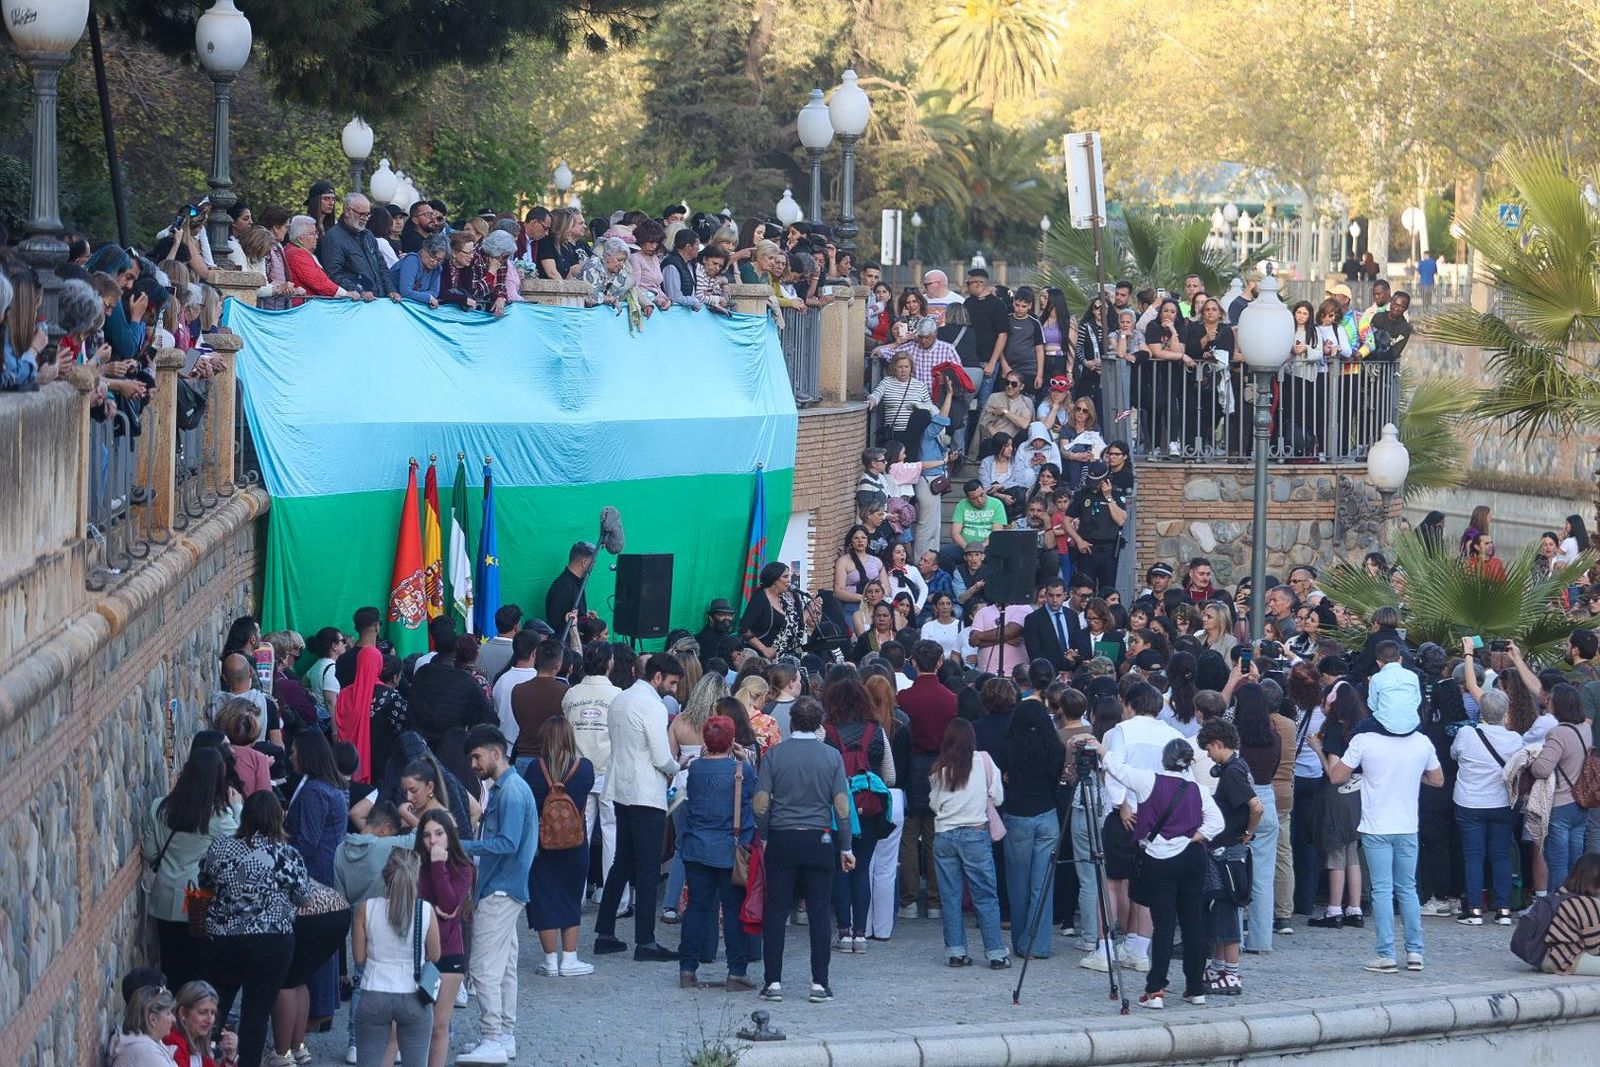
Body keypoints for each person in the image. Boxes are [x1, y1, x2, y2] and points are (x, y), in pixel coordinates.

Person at [1321, 663, 1445, 974]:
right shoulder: (1421, 742)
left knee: (1382, 890)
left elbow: (1337, 776)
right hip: (1408, 826)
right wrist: (1411, 776)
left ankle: (1386, 953)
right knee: (1408, 889)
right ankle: (1415, 952)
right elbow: (1438, 779)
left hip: (1376, 826)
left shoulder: (1366, 740)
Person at [1094, 735, 1222, 1009]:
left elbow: (1117, 769)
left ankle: (1156, 990)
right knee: (1193, 923)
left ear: (1164, 759)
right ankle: (1195, 988)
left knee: (1163, 924)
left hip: (1158, 858)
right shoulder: (1197, 789)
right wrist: (1194, 836)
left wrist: (1099, 747)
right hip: (1191, 857)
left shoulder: (1148, 780)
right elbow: (1217, 822)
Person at [753, 696, 854, 1003]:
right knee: (820, 912)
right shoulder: (831, 757)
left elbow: (760, 803)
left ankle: (773, 982)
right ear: (819, 723)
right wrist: (846, 846)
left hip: (782, 838)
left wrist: (765, 835)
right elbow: (841, 806)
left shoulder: (774, 755)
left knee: (776, 909)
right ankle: (819, 983)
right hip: (819, 839)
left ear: (792, 722)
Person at [199, 792, 311, 1067]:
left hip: (224, 940)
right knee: (257, 1014)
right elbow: (303, 896)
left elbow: (204, 883)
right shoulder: (287, 854)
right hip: (271, 942)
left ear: (245, 816)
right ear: (277, 819)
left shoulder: (220, 848)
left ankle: (200, 1059)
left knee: (216, 1006)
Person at [593, 654, 684, 961]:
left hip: (620, 787)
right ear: (657, 677)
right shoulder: (653, 706)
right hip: (646, 793)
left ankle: (605, 932)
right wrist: (679, 765)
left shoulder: (621, 698)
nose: (672, 689)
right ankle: (645, 941)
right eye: (671, 683)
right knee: (646, 869)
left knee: (622, 862)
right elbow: (661, 757)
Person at [457, 726, 538, 1066]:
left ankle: (493, 1036)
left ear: (495, 753)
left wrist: (461, 846)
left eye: (477, 757)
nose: (474, 764)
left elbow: (507, 843)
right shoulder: (511, 788)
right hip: (506, 886)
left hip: (501, 887)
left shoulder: (511, 792)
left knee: (483, 966)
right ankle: (503, 1035)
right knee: (503, 967)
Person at [144, 746, 242, 992]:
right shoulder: (218, 817)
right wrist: (238, 808)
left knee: (170, 964)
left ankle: (172, 1019)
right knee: (196, 968)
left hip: (164, 895)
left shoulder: (159, 807)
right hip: (197, 900)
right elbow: (239, 849)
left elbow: (149, 852)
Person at [677, 714, 758, 989]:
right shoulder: (741, 770)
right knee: (734, 910)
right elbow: (755, 796)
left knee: (697, 908)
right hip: (731, 849)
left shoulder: (696, 768)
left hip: (697, 846)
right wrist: (745, 759)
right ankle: (736, 970)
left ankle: (687, 968)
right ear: (732, 739)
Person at [926, 717, 1009, 968]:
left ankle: (956, 951)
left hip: (945, 835)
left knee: (950, 895)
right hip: (975, 833)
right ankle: (995, 952)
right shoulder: (984, 761)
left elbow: (934, 804)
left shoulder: (939, 769)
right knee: (985, 895)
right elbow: (998, 796)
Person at [821, 679, 896, 950]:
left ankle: (843, 931)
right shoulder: (876, 731)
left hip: (838, 809)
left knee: (840, 869)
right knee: (861, 868)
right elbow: (890, 776)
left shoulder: (825, 732)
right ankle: (861, 933)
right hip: (870, 809)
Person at [350, 851, 440, 1067]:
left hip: (374, 992)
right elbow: (435, 955)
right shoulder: (425, 910)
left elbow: (359, 958)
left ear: (385, 876)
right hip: (413, 995)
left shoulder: (366, 908)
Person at [524, 716, 597, 978]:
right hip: (575, 844)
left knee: (544, 897)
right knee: (570, 898)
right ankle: (570, 958)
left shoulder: (534, 769)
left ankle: (549, 960)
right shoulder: (584, 768)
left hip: (543, 844)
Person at [1449, 688, 1524, 925]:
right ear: (1505, 712)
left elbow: (1454, 755)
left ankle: (1475, 910)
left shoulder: (1467, 734)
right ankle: (1503, 909)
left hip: (1470, 802)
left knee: (1473, 856)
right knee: (1501, 855)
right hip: (1502, 803)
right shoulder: (1515, 739)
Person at [999, 700, 1065, 959]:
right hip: (1047, 814)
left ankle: (1022, 942)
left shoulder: (1009, 746)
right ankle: (1039, 943)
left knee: (1018, 883)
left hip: (1017, 815)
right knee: (1043, 884)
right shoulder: (1055, 748)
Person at [414, 810, 475, 1066]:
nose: (433, 841)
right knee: (415, 1023)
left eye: (439, 833)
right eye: (427, 835)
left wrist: (439, 865)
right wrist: (429, 905)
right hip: (417, 952)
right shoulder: (415, 864)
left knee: (439, 1024)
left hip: (449, 952)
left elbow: (450, 905)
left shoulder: (463, 867)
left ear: (449, 835)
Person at [563, 642, 623, 904]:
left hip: (578, 771)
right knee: (612, 834)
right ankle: (616, 899)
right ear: (609, 663)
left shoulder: (571, 695)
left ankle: (574, 896)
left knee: (579, 835)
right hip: (609, 771)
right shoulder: (619, 695)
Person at [1529, 682, 1593, 893]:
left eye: (1550, 701)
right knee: (1575, 862)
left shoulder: (1558, 733)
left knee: (1557, 861)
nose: (1547, 704)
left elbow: (1541, 769)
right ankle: (1576, 901)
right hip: (1581, 803)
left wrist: (1530, 758)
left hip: (1560, 805)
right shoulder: (1585, 729)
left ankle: (1558, 907)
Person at [742, 561, 821, 660]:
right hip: (765, 659)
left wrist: (810, 608)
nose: (789, 580)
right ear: (774, 579)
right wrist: (764, 649)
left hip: (790, 656)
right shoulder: (760, 600)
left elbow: (796, 625)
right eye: (785, 577)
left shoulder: (789, 598)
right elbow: (744, 630)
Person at [1541, 855, 1600, 974]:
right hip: (1561, 960)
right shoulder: (1588, 904)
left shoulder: (1562, 893)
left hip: (1545, 956)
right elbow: (1595, 948)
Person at [163, 980, 239, 1067]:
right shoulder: (172, 1044)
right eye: (203, 1012)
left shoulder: (198, 1046)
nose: (210, 1019)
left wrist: (230, 1055)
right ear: (183, 1012)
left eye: (213, 1012)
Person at [110, 985, 180, 1067]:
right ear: (153, 1019)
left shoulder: (148, 1044)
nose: (173, 1019)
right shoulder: (146, 1051)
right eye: (168, 1013)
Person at [545, 541, 595, 628]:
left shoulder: (577, 583)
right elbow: (555, 626)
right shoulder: (563, 588)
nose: (594, 566)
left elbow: (572, 615)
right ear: (584, 562)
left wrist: (585, 618)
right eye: (593, 562)